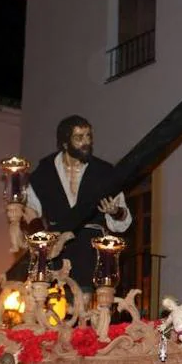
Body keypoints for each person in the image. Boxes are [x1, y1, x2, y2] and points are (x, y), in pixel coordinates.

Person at [26, 115, 131, 292]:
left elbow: (123, 217)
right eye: (79, 137)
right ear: (65, 143)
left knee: (84, 304)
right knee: (54, 306)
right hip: (55, 251)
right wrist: (42, 242)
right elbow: (30, 209)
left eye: (88, 136)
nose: (86, 142)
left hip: (89, 250)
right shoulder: (44, 171)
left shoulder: (104, 171)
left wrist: (114, 211)